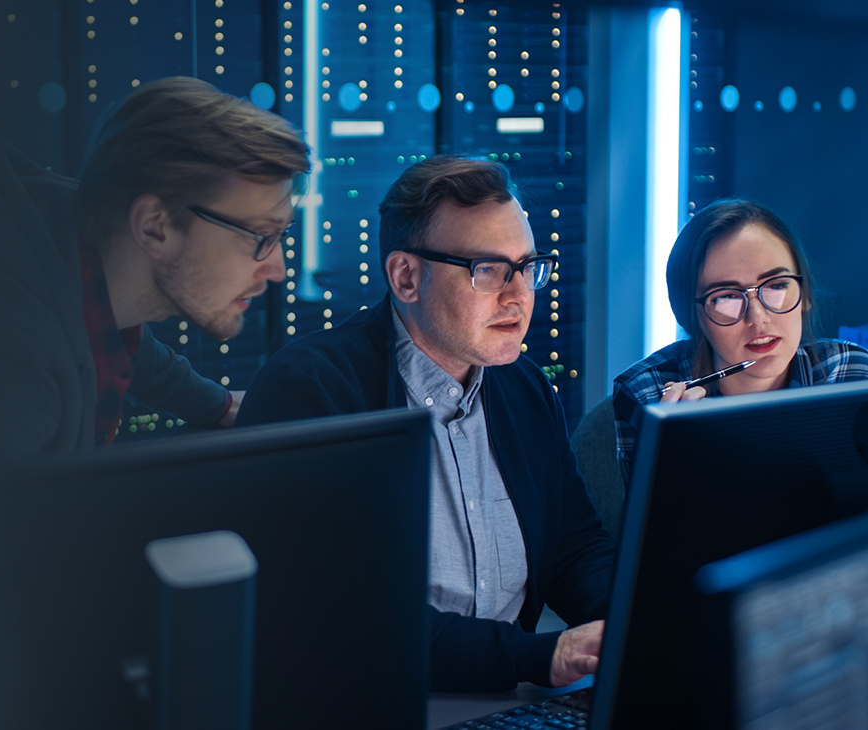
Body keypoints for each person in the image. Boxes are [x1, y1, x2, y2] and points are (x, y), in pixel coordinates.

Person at [238, 157, 616, 692]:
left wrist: (626, 617)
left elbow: (574, 546)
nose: (519, 294)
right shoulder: (311, 391)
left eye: (528, 266)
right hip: (371, 705)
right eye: (488, 270)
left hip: (505, 698)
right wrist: (537, 657)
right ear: (406, 277)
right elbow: (340, 616)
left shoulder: (524, 387)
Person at [0, 77, 309, 462]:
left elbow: (137, 354)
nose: (278, 270)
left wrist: (222, 406)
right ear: (154, 226)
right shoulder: (10, 371)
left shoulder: (69, 245)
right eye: (260, 235)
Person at [612, 198, 868, 485]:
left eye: (777, 286)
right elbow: (659, 527)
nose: (758, 317)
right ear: (692, 317)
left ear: (806, 295)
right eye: (727, 296)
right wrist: (683, 454)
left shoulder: (852, 374)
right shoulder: (646, 395)